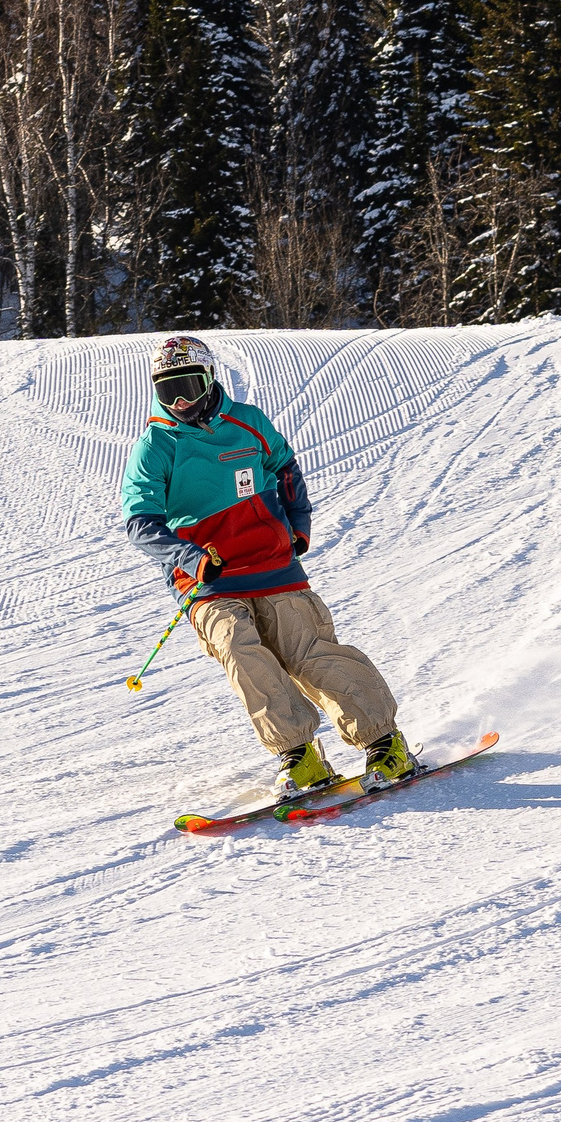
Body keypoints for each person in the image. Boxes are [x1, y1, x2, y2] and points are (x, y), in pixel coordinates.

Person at [120, 334, 418, 797]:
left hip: (272, 564)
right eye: (168, 391)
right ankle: (299, 754)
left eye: (188, 387)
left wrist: (298, 524)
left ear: (209, 379)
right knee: (241, 650)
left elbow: (286, 469)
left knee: (309, 651)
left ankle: (383, 741)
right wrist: (190, 558)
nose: (180, 402)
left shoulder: (249, 423)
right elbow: (140, 522)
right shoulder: (156, 445)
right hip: (208, 578)